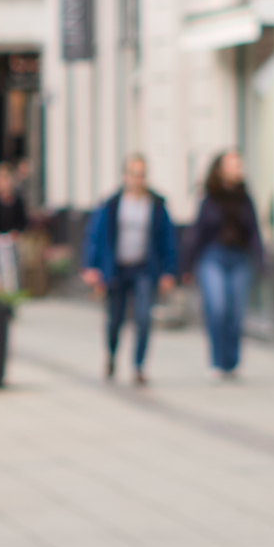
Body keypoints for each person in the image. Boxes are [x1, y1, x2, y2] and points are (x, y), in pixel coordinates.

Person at [82, 154, 179, 385]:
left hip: (144, 268)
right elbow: (95, 236)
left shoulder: (156, 205)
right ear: (125, 176)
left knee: (144, 318)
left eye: (142, 174)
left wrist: (169, 271)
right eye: (134, 173)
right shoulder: (112, 203)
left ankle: (138, 366)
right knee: (115, 320)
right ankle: (112, 355)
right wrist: (91, 267)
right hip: (117, 268)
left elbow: (168, 239)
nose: (138, 179)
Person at [188, 150, 264, 380]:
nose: (238, 168)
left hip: (239, 258)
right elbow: (197, 233)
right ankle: (217, 361)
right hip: (213, 257)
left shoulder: (245, 198)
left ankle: (232, 362)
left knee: (236, 313)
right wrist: (185, 266)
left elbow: (254, 232)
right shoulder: (209, 198)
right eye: (233, 164)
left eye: (239, 164)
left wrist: (260, 259)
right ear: (220, 169)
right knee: (217, 307)